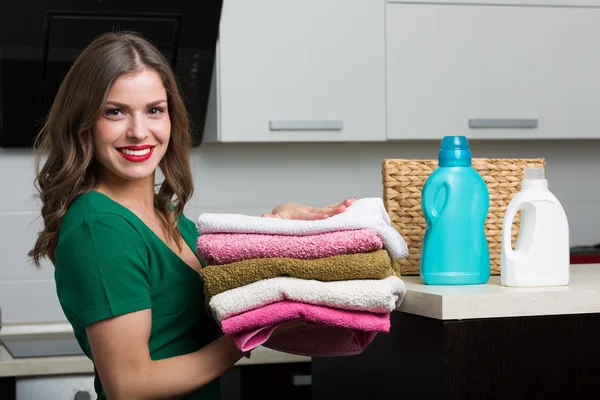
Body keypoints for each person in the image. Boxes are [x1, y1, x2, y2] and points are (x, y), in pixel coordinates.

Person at [28, 31, 355, 400]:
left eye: (154, 110)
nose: (139, 132)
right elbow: (130, 386)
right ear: (83, 121)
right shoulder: (99, 227)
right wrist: (254, 332)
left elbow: (226, 273)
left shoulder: (164, 214)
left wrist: (277, 223)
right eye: (114, 112)